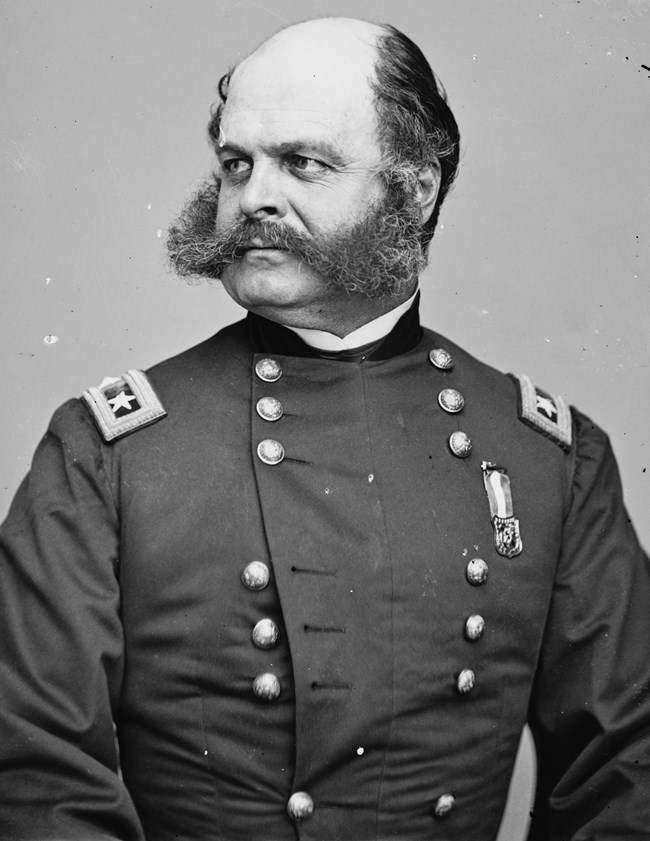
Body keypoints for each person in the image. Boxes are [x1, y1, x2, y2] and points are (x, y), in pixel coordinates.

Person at [0, 15, 648, 841]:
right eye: (238, 164)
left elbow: (627, 769)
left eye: (303, 163)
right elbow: (34, 773)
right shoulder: (106, 452)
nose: (254, 196)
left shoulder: (551, 458)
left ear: (414, 189)